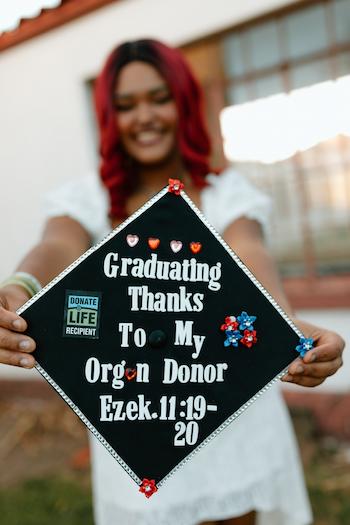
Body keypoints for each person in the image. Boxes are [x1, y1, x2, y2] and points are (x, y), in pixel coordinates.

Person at [0, 39, 345, 525]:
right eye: (125, 105)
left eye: (158, 98)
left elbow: (250, 252)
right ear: (108, 117)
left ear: (182, 101)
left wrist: (284, 325)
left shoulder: (226, 194)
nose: (144, 116)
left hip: (232, 414)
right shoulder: (88, 200)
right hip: (135, 420)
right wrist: (19, 286)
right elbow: (57, 245)